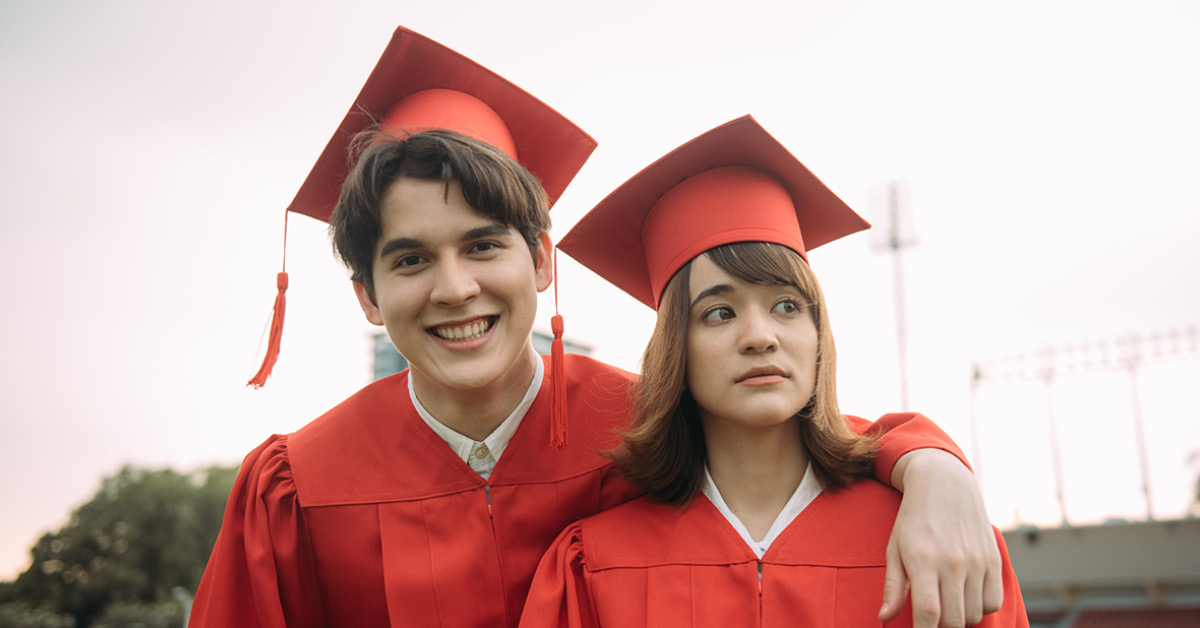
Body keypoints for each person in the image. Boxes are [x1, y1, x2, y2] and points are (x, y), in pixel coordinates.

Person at [191, 27, 1005, 628]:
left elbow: (808, 434)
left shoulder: (646, 421)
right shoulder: (299, 487)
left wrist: (933, 462)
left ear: (543, 262)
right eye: (410, 262)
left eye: (484, 246)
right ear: (366, 295)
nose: (455, 288)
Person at [518, 116, 1028, 628]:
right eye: (719, 312)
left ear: (817, 333)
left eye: (786, 305)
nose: (761, 336)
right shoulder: (594, 562)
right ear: (678, 346)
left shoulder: (934, 536)